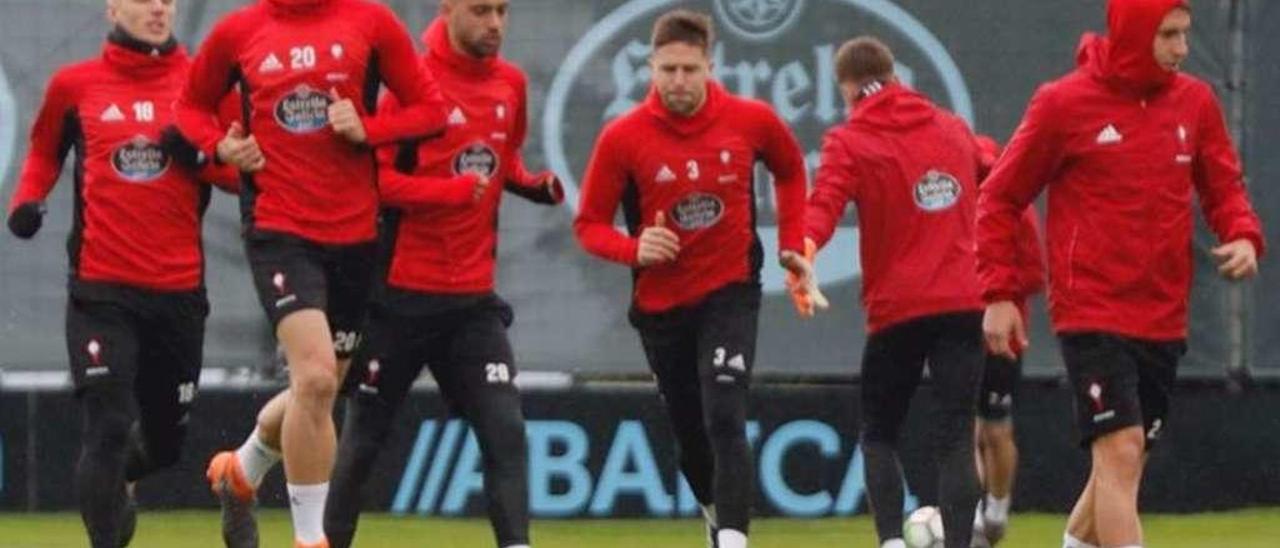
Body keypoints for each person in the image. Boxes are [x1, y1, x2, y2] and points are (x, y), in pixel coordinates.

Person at [976, 1, 1264, 547]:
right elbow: (999, 197)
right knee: (1122, 449)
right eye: (1169, 36)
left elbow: (1223, 185)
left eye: (1185, 35)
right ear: (1133, 36)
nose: (1182, 49)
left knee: (1122, 465)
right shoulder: (1062, 104)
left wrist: (1244, 233)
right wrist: (1000, 293)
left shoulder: (1197, 102)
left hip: (1162, 314)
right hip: (1091, 311)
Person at [173, 0, 447, 546]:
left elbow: (431, 111)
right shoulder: (239, 31)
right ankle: (310, 539)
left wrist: (369, 128)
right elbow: (188, 109)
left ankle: (242, 469)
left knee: (318, 389)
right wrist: (220, 145)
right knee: (317, 378)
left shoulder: (371, 21)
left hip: (355, 238)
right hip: (279, 231)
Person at [573, 10, 819, 548]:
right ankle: (714, 515)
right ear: (650, 68)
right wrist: (633, 247)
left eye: (689, 69)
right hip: (661, 306)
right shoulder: (623, 137)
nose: (678, 81)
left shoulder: (751, 120)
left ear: (710, 65)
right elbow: (588, 225)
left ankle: (733, 539)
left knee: (726, 412)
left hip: (731, 291)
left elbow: (791, 168)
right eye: (668, 70)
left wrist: (791, 243)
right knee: (692, 437)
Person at [322, 1, 562, 547]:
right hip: (397, 300)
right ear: (447, 9)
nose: (495, 24)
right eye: (481, 10)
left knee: (506, 433)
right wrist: (449, 193)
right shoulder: (413, 81)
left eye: (503, 11)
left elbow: (499, 160)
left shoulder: (511, 85)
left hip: (471, 305)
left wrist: (532, 184)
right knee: (363, 442)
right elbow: (373, 180)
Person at [5, 1, 238, 546]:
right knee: (107, 428)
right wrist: (27, 200)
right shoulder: (75, 85)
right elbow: (42, 152)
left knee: (164, 445)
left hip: (179, 295)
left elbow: (237, 170)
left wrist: (204, 157)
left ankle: (118, 483)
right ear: (113, 7)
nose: (158, 7)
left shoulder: (200, 84)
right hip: (101, 292)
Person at [804, 36, 990, 548]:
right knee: (955, 436)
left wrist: (804, 247)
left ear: (845, 87)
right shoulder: (951, 128)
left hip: (898, 310)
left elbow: (825, 203)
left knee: (880, 433)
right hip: (962, 303)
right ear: (894, 74)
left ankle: (890, 541)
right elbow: (992, 167)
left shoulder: (850, 140)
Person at [969, 137, 1045, 548]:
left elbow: (1032, 268)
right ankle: (968, 518)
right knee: (961, 428)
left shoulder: (1004, 194)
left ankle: (996, 510)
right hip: (953, 322)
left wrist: (1007, 303)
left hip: (1003, 327)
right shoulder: (939, 195)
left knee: (994, 430)